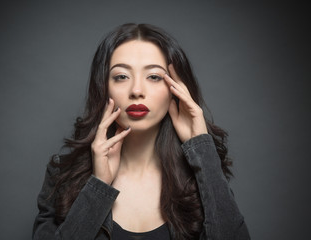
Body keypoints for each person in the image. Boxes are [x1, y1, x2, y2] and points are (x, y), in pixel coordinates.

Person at [32, 23, 250, 240]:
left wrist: (202, 148)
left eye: (154, 76)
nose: (136, 91)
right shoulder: (62, 175)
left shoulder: (200, 174)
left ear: (176, 89)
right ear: (103, 87)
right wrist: (98, 187)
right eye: (122, 76)